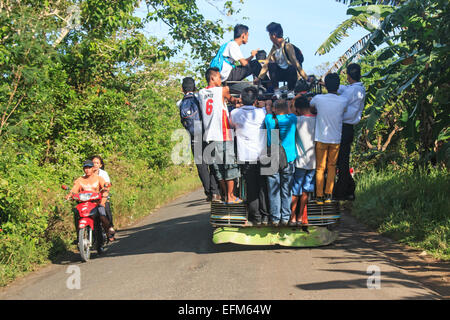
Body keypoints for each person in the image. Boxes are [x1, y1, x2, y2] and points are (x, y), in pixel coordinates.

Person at [198, 67, 242, 204]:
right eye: (218, 77)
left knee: (218, 169)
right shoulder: (223, 90)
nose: (220, 80)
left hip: (209, 137)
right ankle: (230, 196)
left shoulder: (201, 93)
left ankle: (225, 195)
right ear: (212, 78)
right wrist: (239, 101)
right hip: (223, 135)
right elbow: (232, 100)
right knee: (229, 167)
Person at [230, 86, 270, 225]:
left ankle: (256, 218)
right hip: (262, 155)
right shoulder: (262, 113)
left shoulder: (235, 113)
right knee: (263, 186)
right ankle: (266, 216)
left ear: (241, 98)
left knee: (251, 188)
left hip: (246, 156)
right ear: (255, 100)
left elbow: (231, 125)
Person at [178, 77, 221, 202]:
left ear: (182, 89)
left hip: (193, 136)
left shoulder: (180, 103)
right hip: (206, 133)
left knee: (201, 166)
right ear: (195, 87)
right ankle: (215, 192)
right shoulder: (199, 98)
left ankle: (208, 192)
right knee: (212, 162)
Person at [310, 73, 348, 204]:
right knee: (332, 167)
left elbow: (312, 108)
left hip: (321, 137)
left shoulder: (318, 98)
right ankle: (328, 195)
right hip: (336, 139)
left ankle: (319, 196)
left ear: (325, 85)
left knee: (320, 167)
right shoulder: (343, 100)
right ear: (338, 86)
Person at [334, 63, 366, 201]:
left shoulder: (352, 91)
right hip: (348, 128)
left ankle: (344, 190)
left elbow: (341, 98)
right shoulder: (357, 88)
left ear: (348, 75)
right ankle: (348, 188)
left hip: (344, 126)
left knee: (341, 161)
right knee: (343, 160)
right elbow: (343, 89)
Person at [265, 99, 297, 226]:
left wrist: (268, 105)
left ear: (274, 109)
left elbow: (268, 110)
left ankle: (275, 218)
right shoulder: (292, 119)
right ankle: (285, 217)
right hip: (288, 157)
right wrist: (289, 105)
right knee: (286, 189)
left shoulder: (269, 120)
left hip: (272, 156)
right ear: (287, 107)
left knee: (273, 189)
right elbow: (291, 111)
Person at [254, 22, 308, 98]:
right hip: (279, 74)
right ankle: (277, 91)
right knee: (271, 64)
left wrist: (306, 77)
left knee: (292, 67)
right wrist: (259, 78)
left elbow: (295, 62)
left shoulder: (288, 46)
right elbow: (266, 64)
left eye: (269, 35)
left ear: (274, 35)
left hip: (290, 74)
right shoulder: (274, 48)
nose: (269, 38)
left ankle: (290, 91)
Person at [66, 160, 115, 241]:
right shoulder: (80, 179)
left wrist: (102, 201)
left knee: (102, 216)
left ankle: (108, 232)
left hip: (96, 203)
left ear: (93, 168)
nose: (87, 170)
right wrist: (70, 195)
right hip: (84, 204)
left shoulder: (99, 178)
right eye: (85, 168)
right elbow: (74, 189)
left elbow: (105, 189)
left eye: (89, 167)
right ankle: (79, 236)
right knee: (76, 214)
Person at [290, 96, 316, 228]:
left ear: (298, 109)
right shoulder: (317, 120)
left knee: (295, 190)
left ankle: (292, 217)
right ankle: (300, 216)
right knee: (306, 190)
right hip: (313, 162)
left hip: (300, 162)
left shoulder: (297, 120)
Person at [91, 155, 115, 228]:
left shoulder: (103, 174)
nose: (95, 165)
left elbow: (107, 185)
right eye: (93, 163)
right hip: (90, 198)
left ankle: (110, 229)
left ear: (100, 165)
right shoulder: (87, 173)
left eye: (97, 163)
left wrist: (105, 187)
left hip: (102, 196)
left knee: (106, 212)